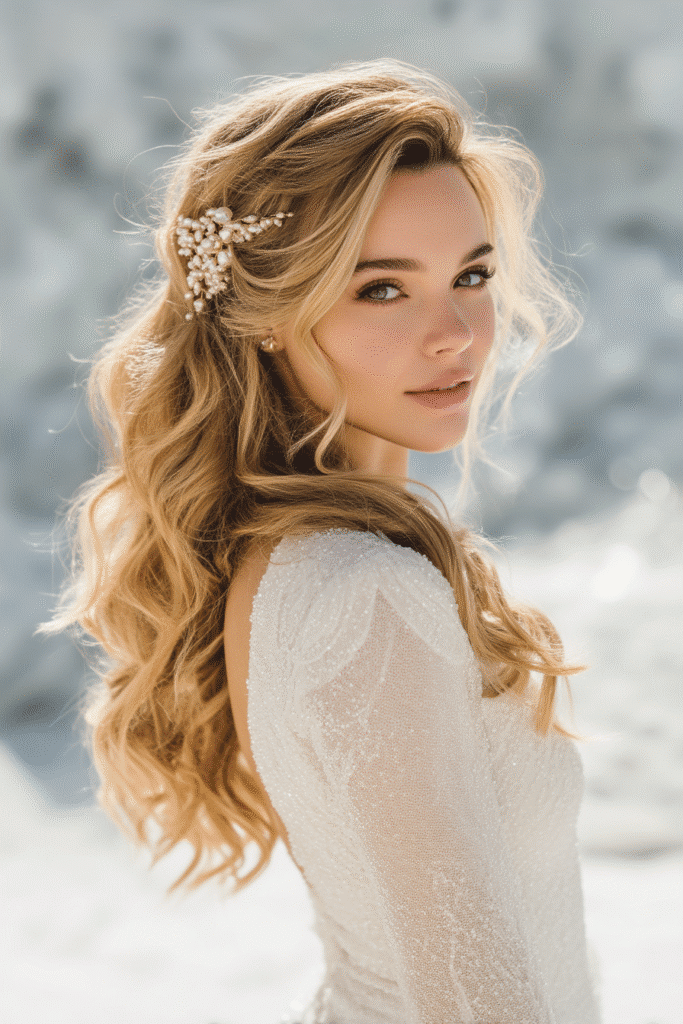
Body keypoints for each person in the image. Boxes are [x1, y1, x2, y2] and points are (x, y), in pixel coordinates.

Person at [46, 61, 601, 1023]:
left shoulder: (310, 562)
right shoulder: (361, 595)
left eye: (470, 275)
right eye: (382, 290)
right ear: (269, 315)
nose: (457, 333)